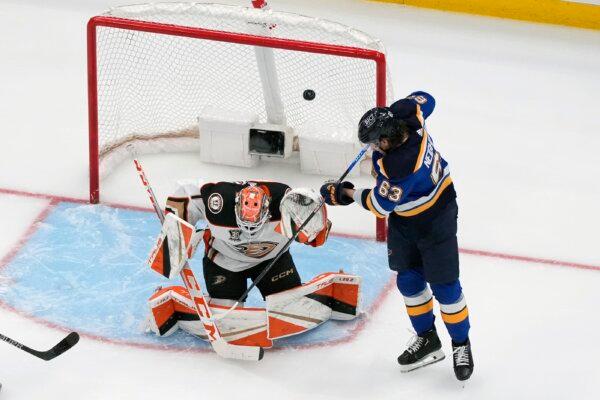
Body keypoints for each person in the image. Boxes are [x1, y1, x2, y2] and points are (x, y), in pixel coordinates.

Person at [320, 92, 474, 381]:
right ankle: (427, 338)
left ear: (388, 139)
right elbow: (427, 99)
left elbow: (380, 205)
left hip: (436, 219)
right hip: (406, 221)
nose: (374, 148)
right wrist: (390, 113)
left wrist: (344, 194)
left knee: (445, 287)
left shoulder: (401, 166)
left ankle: (461, 344)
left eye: (376, 142)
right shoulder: (409, 114)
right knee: (409, 280)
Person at [163, 180, 330, 306]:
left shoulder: (288, 203)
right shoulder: (219, 201)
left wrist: (315, 231)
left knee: (291, 305)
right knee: (226, 314)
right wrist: (175, 238)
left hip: (271, 260)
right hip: (225, 261)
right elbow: (186, 194)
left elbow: (313, 223)